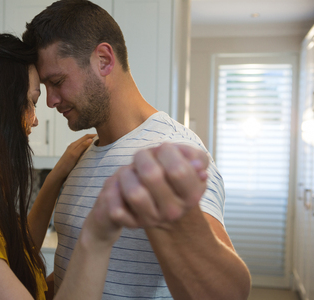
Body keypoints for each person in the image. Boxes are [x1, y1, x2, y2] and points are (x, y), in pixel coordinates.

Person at [0, 28, 207, 300]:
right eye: (30, 102)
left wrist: (55, 177)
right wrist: (98, 231)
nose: (35, 119)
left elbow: (19, 250)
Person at [22, 1, 252, 299]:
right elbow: (73, 275)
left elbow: (225, 295)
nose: (51, 101)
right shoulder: (83, 155)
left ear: (104, 60)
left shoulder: (172, 150)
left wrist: (177, 218)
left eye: (57, 81)